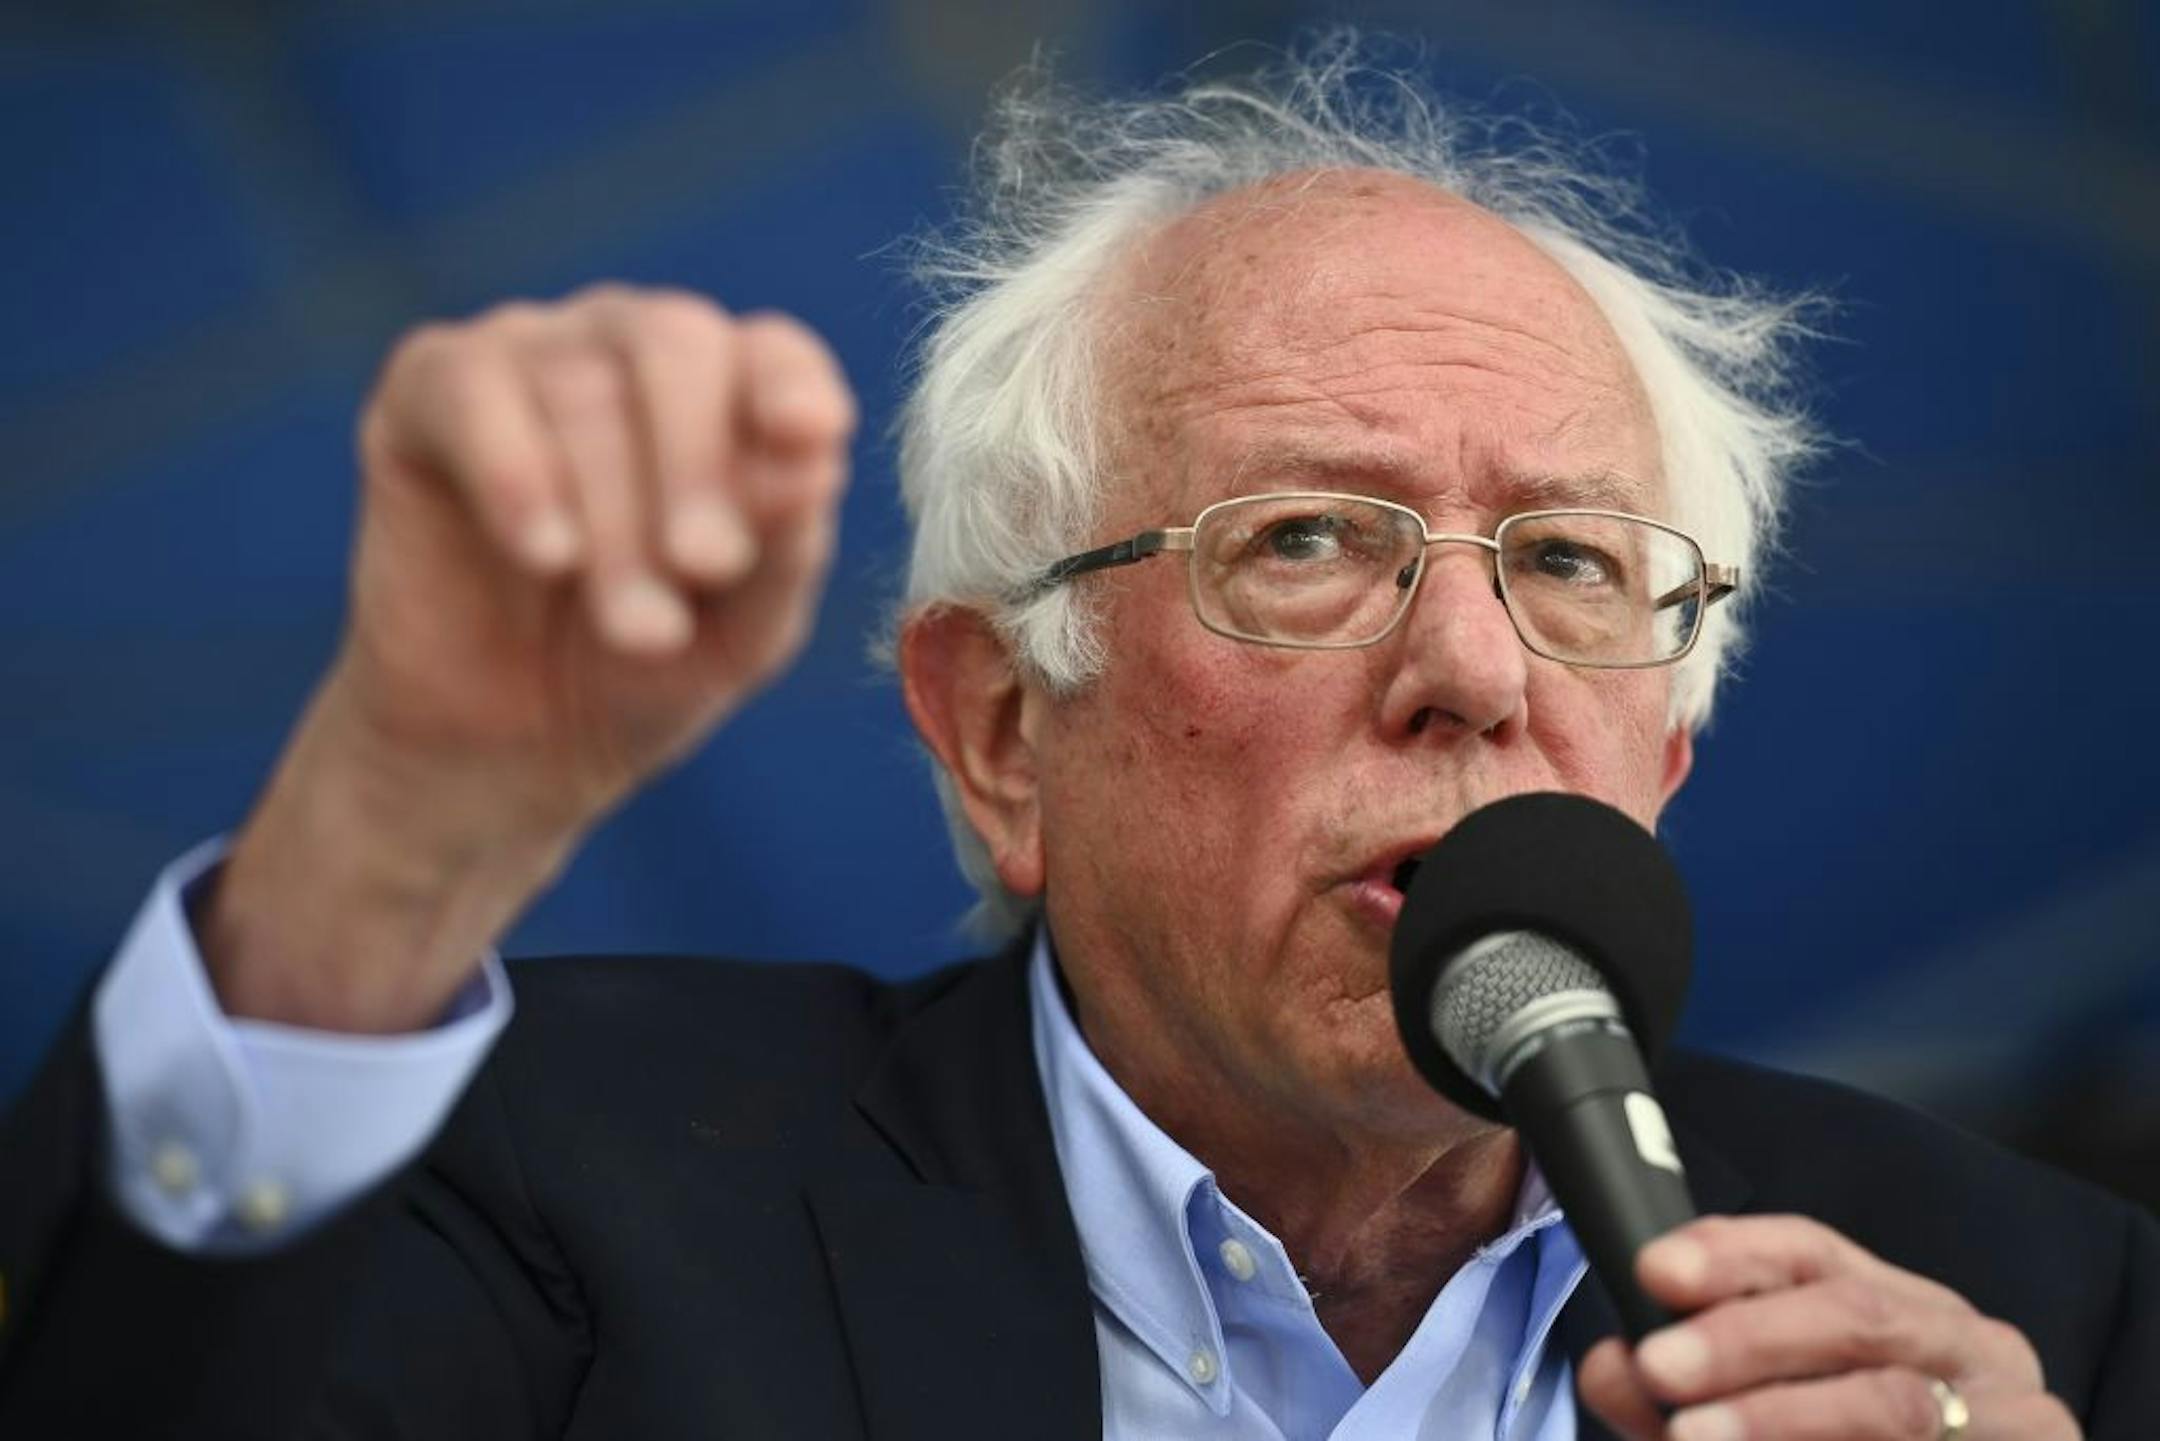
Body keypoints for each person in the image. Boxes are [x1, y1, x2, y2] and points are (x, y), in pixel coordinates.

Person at [1, 40, 2152, 1441]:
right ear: (1002, 733)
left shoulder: (2041, 1310)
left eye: (1576, 562)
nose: (1476, 666)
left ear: (1661, 760)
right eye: (1308, 538)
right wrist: (386, 836)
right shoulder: (552, 1176)